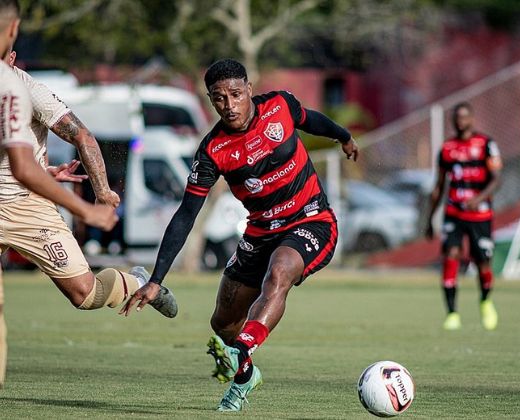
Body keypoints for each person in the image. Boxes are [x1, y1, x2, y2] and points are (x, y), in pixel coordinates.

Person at [122, 58, 359, 411]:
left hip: (311, 220)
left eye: (236, 94)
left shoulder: (280, 106)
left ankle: (243, 350)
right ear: (210, 100)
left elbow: (312, 120)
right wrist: (156, 278)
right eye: (219, 98)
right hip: (259, 233)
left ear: (249, 89)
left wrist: (343, 136)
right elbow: (187, 214)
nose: (229, 105)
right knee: (223, 321)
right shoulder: (212, 151)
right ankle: (246, 376)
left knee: (279, 273)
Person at [0, 0, 177, 388]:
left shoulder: (26, 91)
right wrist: (45, 170)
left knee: (84, 294)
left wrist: (102, 196)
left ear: (12, 52)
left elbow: (82, 135)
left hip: (28, 207)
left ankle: (135, 282)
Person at [425, 102, 502, 331]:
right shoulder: (447, 148)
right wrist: (430, 218)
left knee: (483, 261)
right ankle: (452, 313)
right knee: (451, 254)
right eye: (456, 118)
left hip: (480, 214)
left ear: (472, 119)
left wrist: (479, 199)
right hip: (454, 213)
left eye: (464, 117)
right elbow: (439, 185)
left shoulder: (487, 144)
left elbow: (497, 178)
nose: (460, 121)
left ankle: (485, 301)